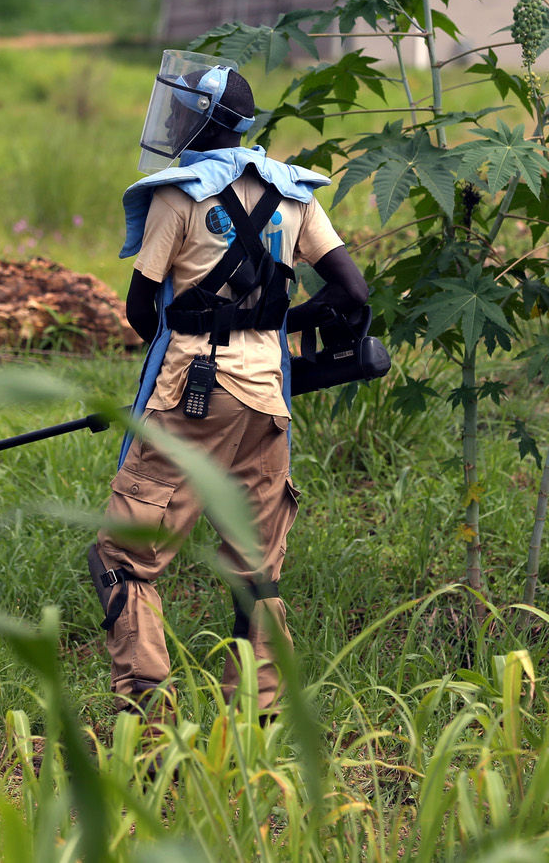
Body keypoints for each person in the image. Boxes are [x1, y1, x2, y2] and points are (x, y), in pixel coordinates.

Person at [89, 52, 369, 717]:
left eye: (184, 110)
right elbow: (353, 293)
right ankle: (262, 720)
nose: (175, 118)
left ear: (204, 120)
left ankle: (149, 722)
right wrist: (278, 320)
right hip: (269, 394)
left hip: (191, 392)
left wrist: (207, 325)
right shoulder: (297, 193)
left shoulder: (177, 194)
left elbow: (140, 310)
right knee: (256, 569)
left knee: (124, 556)